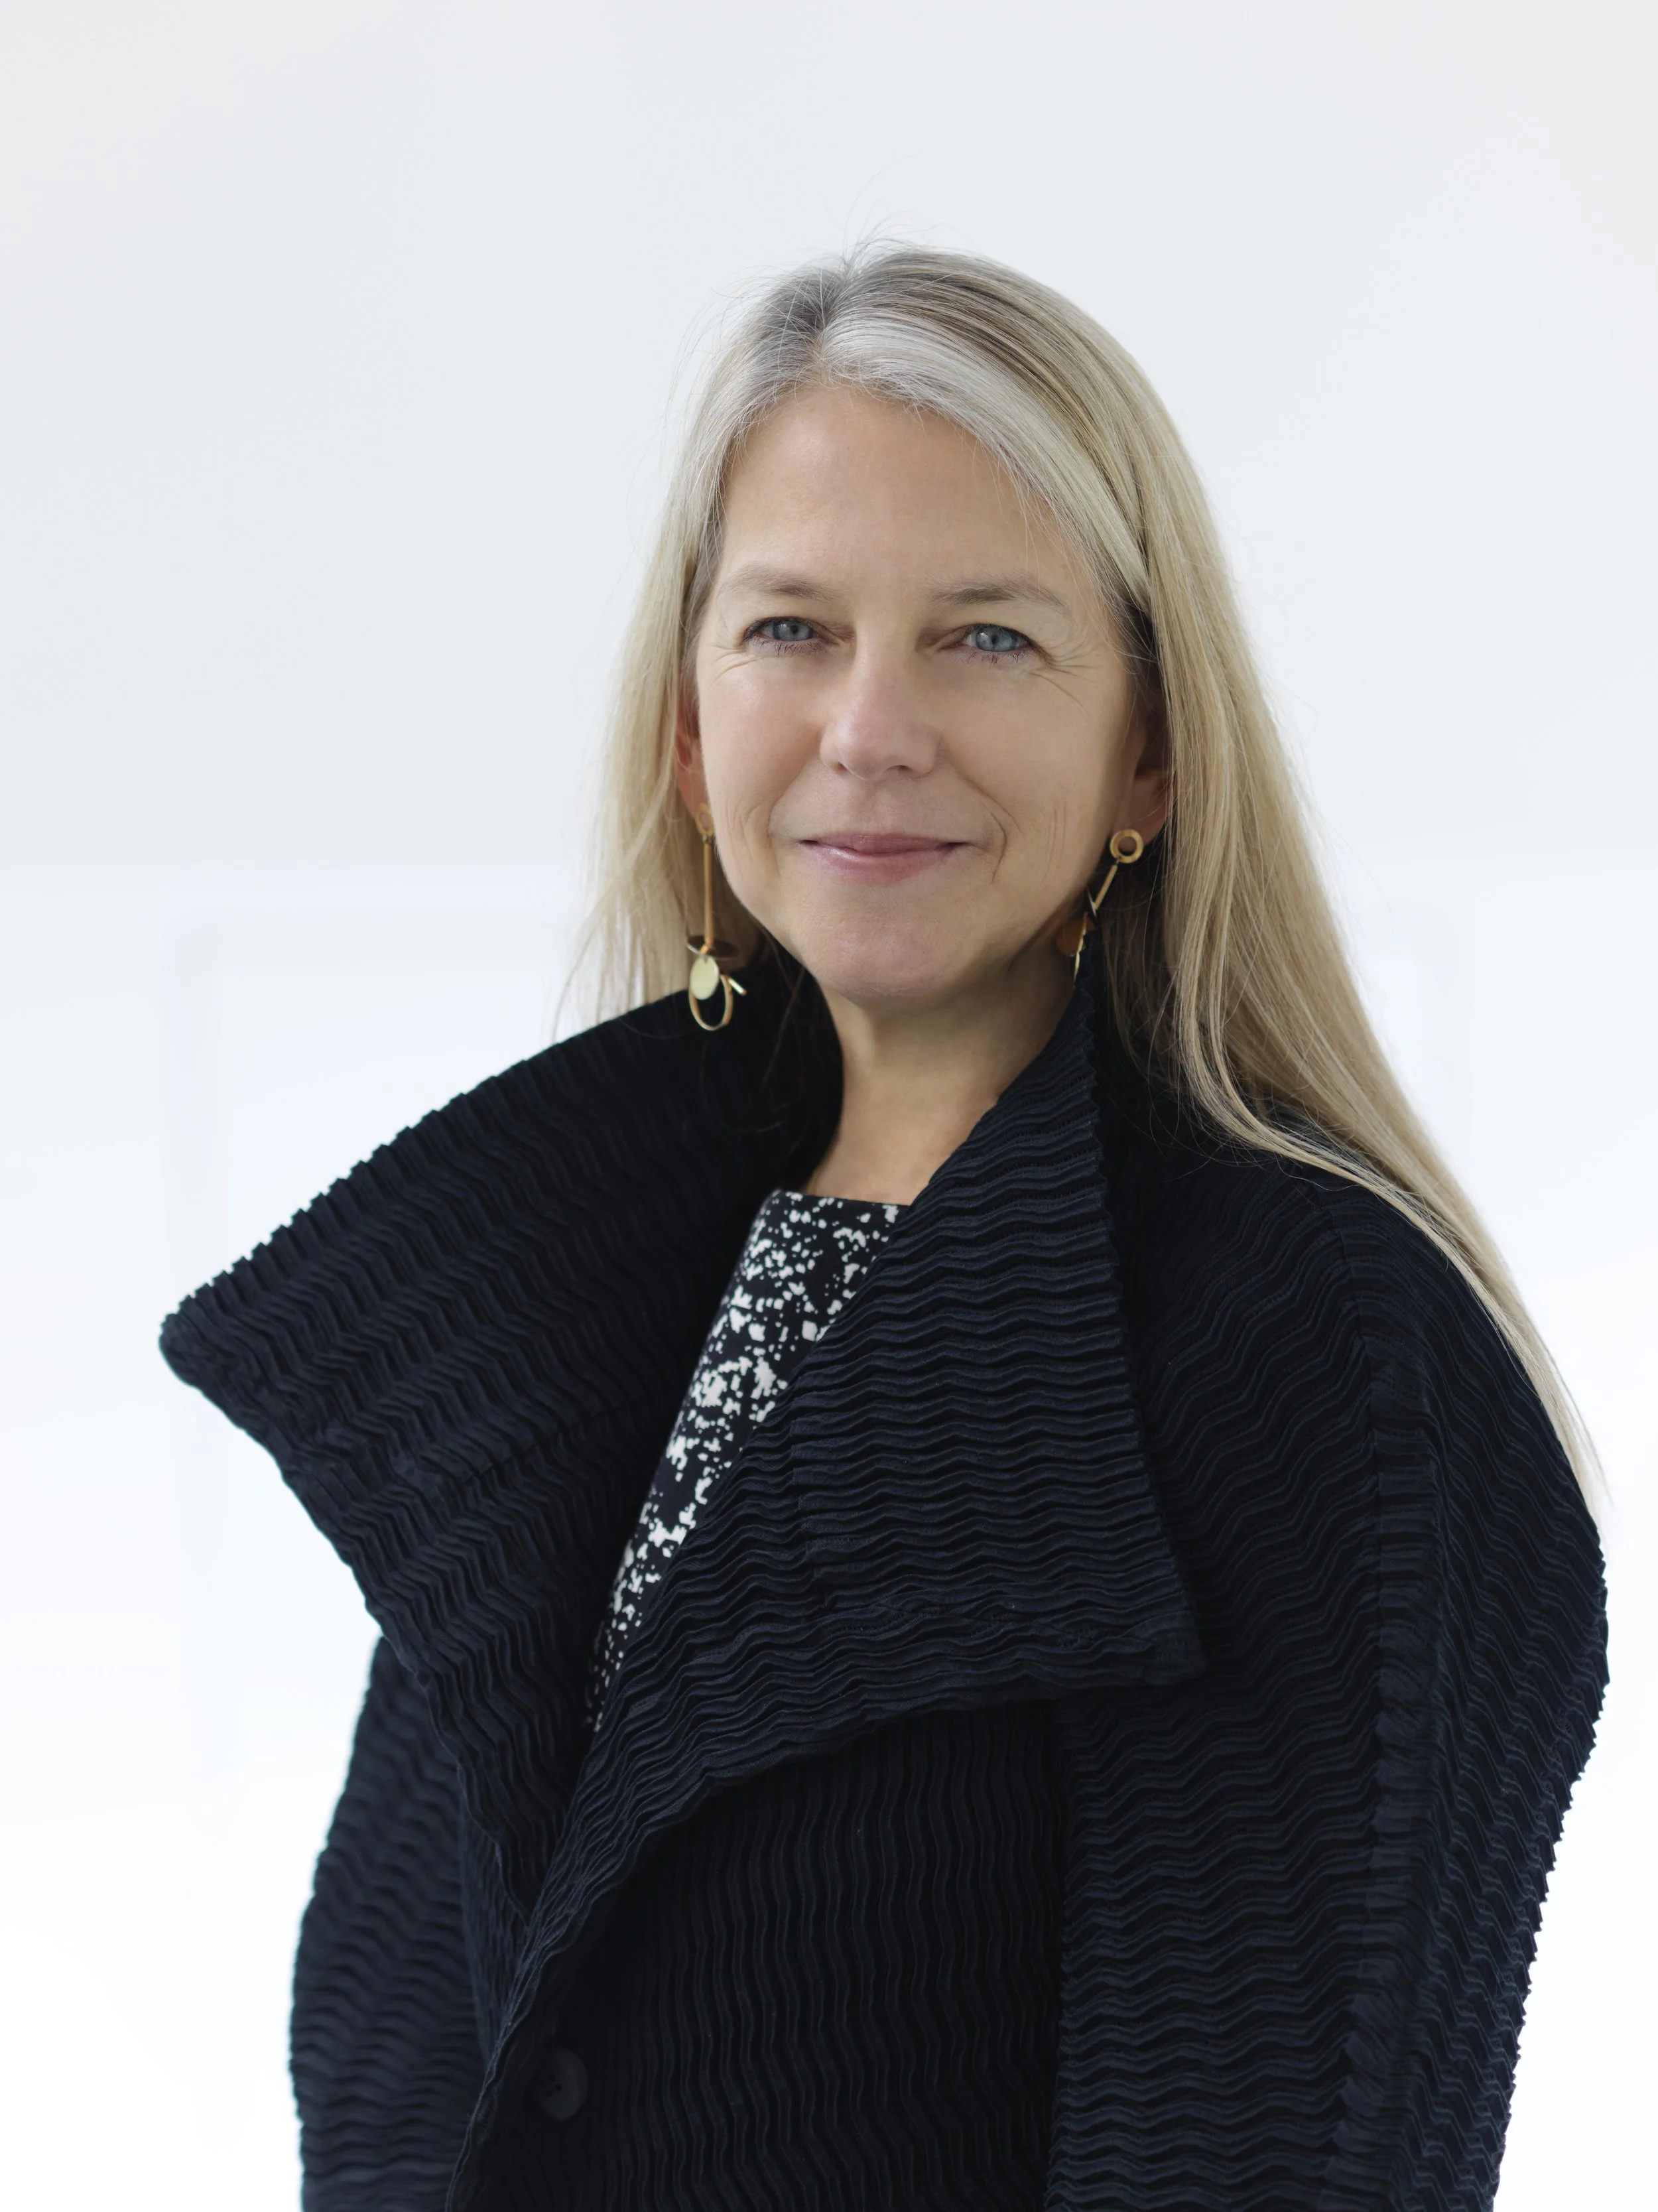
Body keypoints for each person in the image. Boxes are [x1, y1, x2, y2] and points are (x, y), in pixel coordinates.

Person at [162, 247, 1606, 2212]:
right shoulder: (572, 1292)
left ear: (1152, 748)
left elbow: (1279, 2146)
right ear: (689, 727)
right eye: (790, 628)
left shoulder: (1311, 1344)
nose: (869, 727)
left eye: (986, 638)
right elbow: (411, 2048)